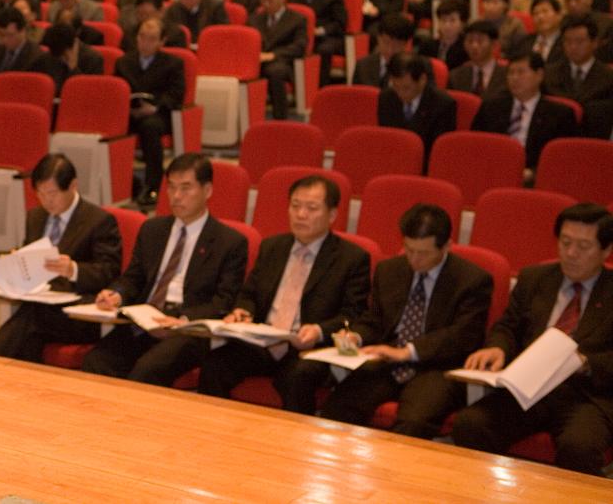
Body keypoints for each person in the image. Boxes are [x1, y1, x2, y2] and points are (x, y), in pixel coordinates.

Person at [452, 204, 613, 476]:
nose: (571, 254)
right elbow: (508, 326)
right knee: (471, 424)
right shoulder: (534, 279)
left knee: (579, 446)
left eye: (583, 246)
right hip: (528, 387)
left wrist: (586, 363)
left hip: (585, 395)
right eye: (565, 242)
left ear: (606, 251)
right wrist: (497, 347)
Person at [197, 175, 370, 414]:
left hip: (307, 348)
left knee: (298, 378)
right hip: (263, 341)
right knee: (216, 364)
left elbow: (354, 315)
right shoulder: (272, 247)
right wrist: (243, 311)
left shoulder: (351, 258)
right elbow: (249, 294)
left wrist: (319, 330)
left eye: (311, 208)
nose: (300, 214)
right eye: (295, 206)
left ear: (332, 215)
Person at [320, 204, 492, 439]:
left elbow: (464, 336)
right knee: (338, 406)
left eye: (423, 253)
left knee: (414, 422)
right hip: (387, 362)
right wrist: (355, 336)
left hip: (436, 367)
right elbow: (376, 321)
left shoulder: (472, 280)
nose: (414, 259)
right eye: (409, 249)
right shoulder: (390, 270)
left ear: (447, 246)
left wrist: (408, 352)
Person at [78, 154, 248, 385]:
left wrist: (186, 319)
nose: (177, 196)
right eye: (172, 188)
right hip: (145, 321)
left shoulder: (229, 242)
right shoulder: (153, 229)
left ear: (207, 190)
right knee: (96, 362)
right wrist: (117, 293)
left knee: (147, 371)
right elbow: (134, 277)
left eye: (186, 188)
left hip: (187, 331)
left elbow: (223, 301)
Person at [0, 154, 122, 362]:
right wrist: (15, 264)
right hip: (40, 303)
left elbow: (109, 271)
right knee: (29, 334)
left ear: (73, 185)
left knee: (31, 318)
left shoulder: (98, 221)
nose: (47, 200)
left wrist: (73, 269)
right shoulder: (35, 217)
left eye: (53, 193)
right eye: (40, 193)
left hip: (79, 312)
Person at [114, 18, 185, 206]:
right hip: (130, 112)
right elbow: (116, 91)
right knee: (111, 128)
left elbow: (176, 94)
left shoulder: (173, 63)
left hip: (159, 114)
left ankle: (153, 185)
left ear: (162, 42)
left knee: (150, 127)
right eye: (142, 37)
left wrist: (155, 107)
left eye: (152, 39)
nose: (145, 43)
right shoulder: (123, 62)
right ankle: (123, 184)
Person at [472, 52, 578, 172]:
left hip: (535, 176)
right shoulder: (490, 107)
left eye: (521, 72)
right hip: (493, 170)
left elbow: (563, 158)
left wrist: (533, 172)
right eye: (511, 73)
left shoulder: (561, 115)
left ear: (539, 75)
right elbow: (476, 146)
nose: (514, 78)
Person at [377, 53, 457, 172]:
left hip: (426, 169)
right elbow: (386, 141)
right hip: (393, 166)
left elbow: (439, 152)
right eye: (396, 86)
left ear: (422, 80)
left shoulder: (443, 105)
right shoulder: (386, 98)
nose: (400, 94)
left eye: (406, 88)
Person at [249, 0, 307, 120]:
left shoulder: (297, 19)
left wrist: (273, 55)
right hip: (258, 61)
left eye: (270, 0)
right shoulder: (256, 18)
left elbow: (300, 46)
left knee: (275, 71)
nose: (266, 5)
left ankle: (280, 118)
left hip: (284, 62)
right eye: (263, 0)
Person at [289, 0, 346, 87]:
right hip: (303, 36)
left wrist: (321, 30)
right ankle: (299, 88)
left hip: (327, 36)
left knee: (324, 49)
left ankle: (321, 87)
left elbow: (339, 23)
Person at [37, 22, 102, 96]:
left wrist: (73, 68)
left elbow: (89, 94)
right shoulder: (48, 56)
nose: (60, 58)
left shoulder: (93, 59)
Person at [447, 20, 507, 99]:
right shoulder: (455, 76)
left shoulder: (507, 76)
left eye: (480, 41)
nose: (474, 46)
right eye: (470, 41)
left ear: (494, 44)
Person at [0, 11, 46, 83]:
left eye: (10, 35)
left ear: (23, 31)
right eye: (1, 35)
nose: (4, 40)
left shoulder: (36, 56)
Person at [352, 13, 414, 88]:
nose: (390, 50)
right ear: (378, 38)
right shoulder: (363, 66)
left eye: (396, 45)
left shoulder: (414, 69)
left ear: (405, 44)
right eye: (386, 42)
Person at [165, 0, 229, 44]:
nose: (187, 0)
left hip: (209, 45)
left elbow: (223, 34)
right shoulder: (174, 8)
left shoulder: (215, 6)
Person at [418, 0, 469, 70]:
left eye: (452, 20)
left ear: (463, 23)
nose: (447, 25)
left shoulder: (466, 49)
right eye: (443, 20)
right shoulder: (427, 47)